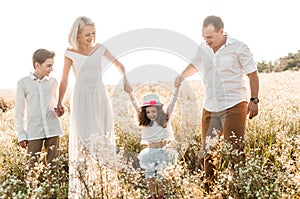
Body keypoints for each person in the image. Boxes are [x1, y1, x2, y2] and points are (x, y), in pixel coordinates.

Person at [174, 15, 259, 193]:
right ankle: (210, 191)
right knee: (208, 150)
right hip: (210, 105)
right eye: (204, 37)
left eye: (210, 37)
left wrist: (254, 100)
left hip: (234, 104)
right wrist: (181, 76)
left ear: (221, 32)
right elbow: (194, 65)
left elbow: (252, 73)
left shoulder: (239, 47)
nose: (207, 41)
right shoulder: (203, 48)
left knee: (234, 149)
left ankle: (240, 188)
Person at [55, 16, 130, 198]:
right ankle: (84, 189)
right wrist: (59, 102)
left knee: (102, 135)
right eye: (87, 34)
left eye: (93, 33)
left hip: (99, 96)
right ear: (77, 35)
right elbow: (64, 80)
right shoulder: (69, 53)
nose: (91, 37)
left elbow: (118, 64)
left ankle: (104, 185)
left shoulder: (100, 48)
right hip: (81, 98)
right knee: (83, 140)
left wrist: (125, 80)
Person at [125, 86, 179, 199]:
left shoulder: (165, 118)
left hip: (163, 151)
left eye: (153, 111)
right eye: (148, 112)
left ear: (159, 111)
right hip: (150, 152)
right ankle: (152, 194)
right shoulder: (145, 122)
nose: (151, 114)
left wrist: (176, 88)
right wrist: (130, 93)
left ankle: (162, 195)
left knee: (161, 175)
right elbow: (135, 106)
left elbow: (172, 102)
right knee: (149, 175)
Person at [14, 48, 63, 172]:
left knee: (54, 169)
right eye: (48, 65)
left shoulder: (53, 82)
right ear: (37, 65)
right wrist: (21, 134)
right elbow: (19, 112)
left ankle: (53, 192)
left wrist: (61, 110)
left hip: (53, 129)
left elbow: (57, 104)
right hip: (34, 131)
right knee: (31, 169)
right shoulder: (23, 83)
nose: (52, 69)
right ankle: (32, 191)